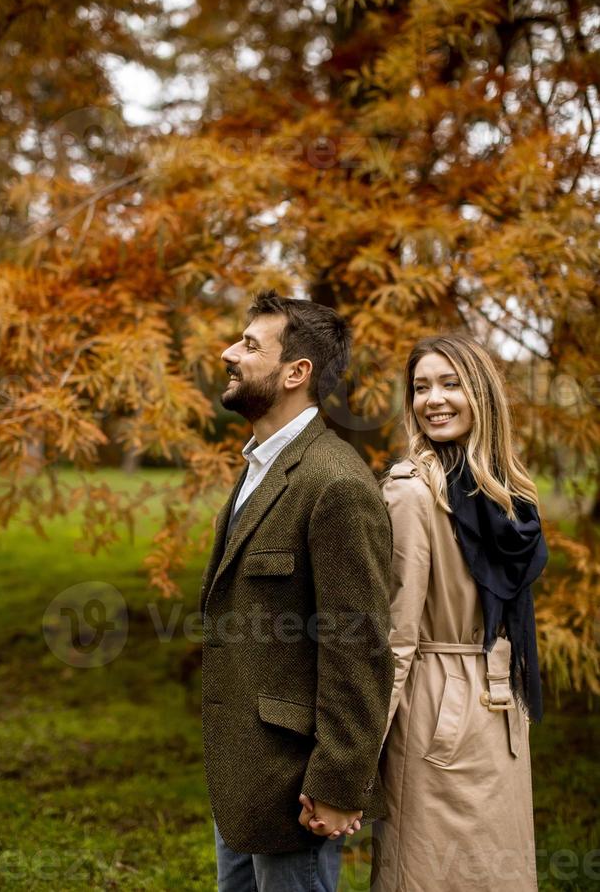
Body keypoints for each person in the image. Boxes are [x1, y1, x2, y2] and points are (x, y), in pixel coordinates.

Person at [201, 289, 394, 892]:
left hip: (295, 784)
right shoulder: (260, 465)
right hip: (242, 770)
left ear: (296, 372)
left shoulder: (334, 483)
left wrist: (338, 785)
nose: (230, 353)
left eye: (250, 344)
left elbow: (358, 649)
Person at [371, 332, 547, 892]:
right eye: (421, 387)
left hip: (500, 706)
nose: (433, 400)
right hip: (435, 709)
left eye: (450, 383)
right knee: (428, 873)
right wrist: (352, 766)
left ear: (483, 395)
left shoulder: (509, 495)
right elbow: (394, 638)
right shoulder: (412, 494)